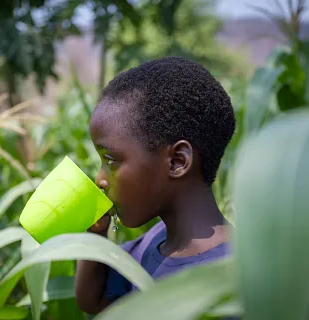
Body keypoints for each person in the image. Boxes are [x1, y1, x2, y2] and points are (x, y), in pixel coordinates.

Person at [75, 56, 236, 315]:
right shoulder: (156, 240)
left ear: (177, 161)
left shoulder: (235, 280)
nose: (100, 180)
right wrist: (96, 233)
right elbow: (94, 301)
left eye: (110, 160)